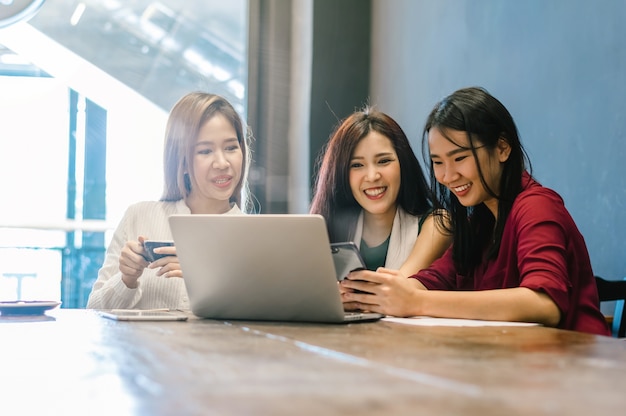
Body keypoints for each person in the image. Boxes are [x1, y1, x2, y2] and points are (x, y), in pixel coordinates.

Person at [340, 87, 610, 336]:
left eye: (460, 158)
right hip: (512, 365)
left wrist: (418, 302)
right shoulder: (478, 221)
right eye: (437, 162)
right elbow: (431, 279)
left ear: (502, 148)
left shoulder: (536, 206)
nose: (447, 175)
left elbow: (544, 304)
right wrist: (376, 293)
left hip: (575, 366)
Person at [87, 92, 252, 310]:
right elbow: (94, 311)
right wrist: (126, 279)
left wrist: (208, 279)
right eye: (205, 151)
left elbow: (258, 324)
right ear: (181, 161)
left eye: (231, 147)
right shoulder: (139, 217)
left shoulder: (254, 235)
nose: (222, 163)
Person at [310, 107, 451, 279]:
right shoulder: (325, 225)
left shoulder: (437, 224)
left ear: (403, 163)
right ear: (341, 174)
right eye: (357, 165)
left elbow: (396, 290)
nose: (372, 176)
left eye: (383, 161)